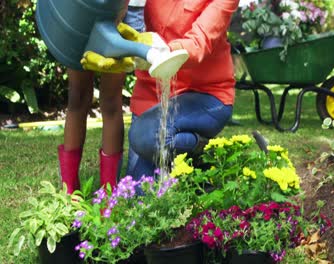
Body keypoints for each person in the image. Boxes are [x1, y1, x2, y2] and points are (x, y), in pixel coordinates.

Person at [125, 0, 240, 180]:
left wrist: (159, 52)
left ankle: (200, 149)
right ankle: (182, 163)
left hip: (206, 96)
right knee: (137, 196)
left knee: (143, 137)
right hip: (152, 94)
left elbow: (198, 43)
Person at [58, 0, 140, 194]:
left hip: (119, 11)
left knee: (111, 100)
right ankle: (69, 189)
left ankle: (108, 193)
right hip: (80, 11)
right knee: (78, 96)